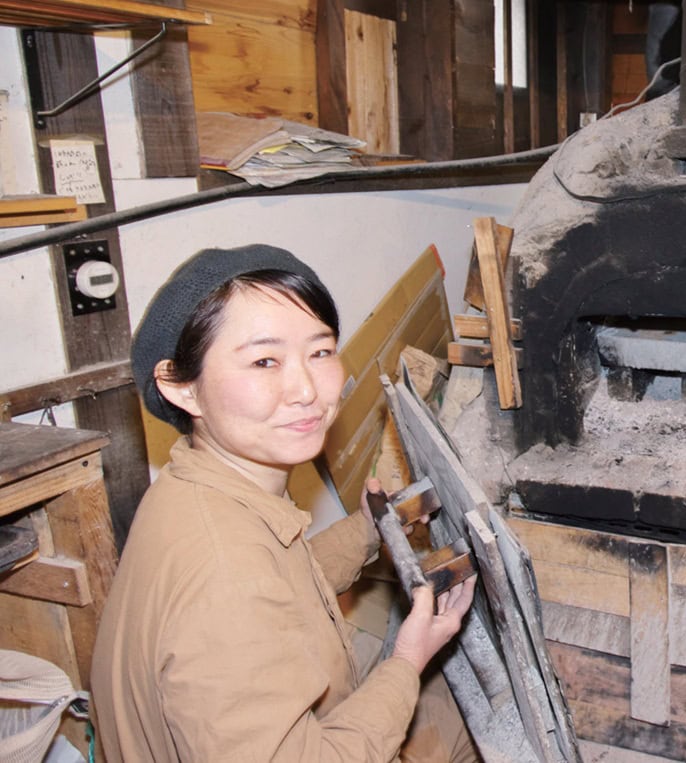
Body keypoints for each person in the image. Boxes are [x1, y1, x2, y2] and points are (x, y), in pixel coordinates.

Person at [91, 244, 478, 762]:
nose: (306, 390)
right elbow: (245, 593)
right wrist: (408, 659)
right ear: (180, 388)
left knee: (453, 706)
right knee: (471, 727)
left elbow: (280, 584)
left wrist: (367, 529)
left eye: (320, 352)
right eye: (263, 360)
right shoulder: (225, 574)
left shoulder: (202, 490)